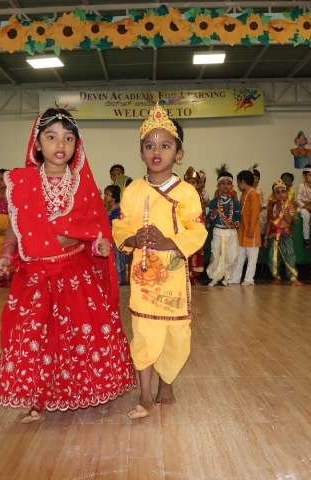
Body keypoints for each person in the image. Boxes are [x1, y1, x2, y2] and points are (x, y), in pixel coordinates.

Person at [0, 108, 134, 423]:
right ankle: (36, 399)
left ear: (76, 144)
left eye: (68, 138)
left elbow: (95, 230)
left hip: (75, 273)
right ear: (37, 143)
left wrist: (100, 245)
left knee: (79, 337)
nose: (61, 144)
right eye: (51, 137)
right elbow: (15, 227)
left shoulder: (82, 185)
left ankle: (88, 390)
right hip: (36, 276)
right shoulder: (22, 182)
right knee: (36, 339)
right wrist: (6, 252)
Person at [113, 104, 207, 420]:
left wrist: (169, 242)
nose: (157, 151)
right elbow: (120, 226)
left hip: (174, 281)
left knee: (176, 337)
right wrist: (133, 238)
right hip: (144, 280)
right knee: (144, 334)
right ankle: (145, 394)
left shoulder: (188, 193)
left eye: (165, 146)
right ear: (141, 152)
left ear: (178, 154)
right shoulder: (133, 191)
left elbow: (197, 230)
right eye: (149, 146)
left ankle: (167, 383)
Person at [206, 168, 241, 287]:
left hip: (231, 232)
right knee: (216, 255)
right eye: (223, 183)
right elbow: (209, 219)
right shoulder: (213, 202)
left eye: (228, 183)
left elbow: (238, 218)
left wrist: (235, 223)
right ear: (218, 186)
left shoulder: (235, 202)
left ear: (232, 186)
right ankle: (214, 277)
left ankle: (227, 276)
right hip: (218, 231)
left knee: (231, 255)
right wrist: (213, 214)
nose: (226, 186)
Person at [264, 179, 300, 284]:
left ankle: (293, 278)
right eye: (278, 192)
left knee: (289, 256)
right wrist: (266, 238)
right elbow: (269, 222)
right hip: (274, 234)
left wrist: (284, 210)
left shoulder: (290, 205)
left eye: (283, 191)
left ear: (286, 193)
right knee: (273, 257)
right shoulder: (272, 206)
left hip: (286, 234)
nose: (280, 194)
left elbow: (289, 221)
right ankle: (276, 277)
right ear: (274, 194)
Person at [231, 170, 261, 286]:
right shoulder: (244, 193)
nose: (238, 185)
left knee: (252, 258)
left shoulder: (253, 194)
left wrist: (251, 230)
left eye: (238, 183)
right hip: (243, 231)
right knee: (240, 256)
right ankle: (235, 278)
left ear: (243, 182)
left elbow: (255, 213)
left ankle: (249, 279)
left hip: (251, 232)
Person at [183, 167, 206, 281]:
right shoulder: (181, 196)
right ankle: (185, 275)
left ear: (197, 184)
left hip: (196, 228)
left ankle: (193, 276)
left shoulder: (199, 196)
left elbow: (202, 213)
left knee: (196, 251)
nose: (191, 185)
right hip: (185, 229)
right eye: (189, 182)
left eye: (193, 182)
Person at [104, 184, 129, 285]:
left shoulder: (119, 210)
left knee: (119, 260)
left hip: (117, 239)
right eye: (105, 194)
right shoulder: (106, 208)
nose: (105, 197)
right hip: (108, 239)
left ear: (114, 197)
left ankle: (120, 279)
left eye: (107, 194)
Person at [296, 164, 311, 245]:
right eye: (310, 175)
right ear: (304, 176)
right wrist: (305, 206)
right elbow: (297, 200)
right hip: (302, 208)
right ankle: (306, 238)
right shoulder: (301, 186)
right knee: (306, 215)